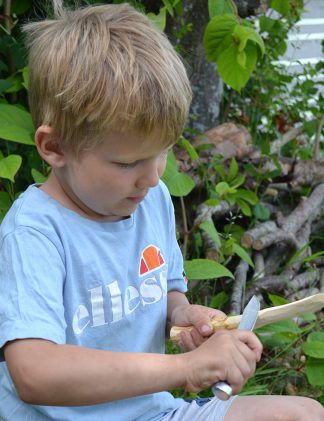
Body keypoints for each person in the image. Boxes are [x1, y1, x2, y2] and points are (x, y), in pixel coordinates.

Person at [0, 2, 323, 420]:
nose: (153, 177)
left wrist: (184, 314)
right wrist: (183, 368)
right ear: (55, 148)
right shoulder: (36, 232)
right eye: (127, 163)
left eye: (163, 153)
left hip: (149, 412)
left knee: (305, 413)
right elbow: (35, 372)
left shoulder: (148, 199)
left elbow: (166, 291)